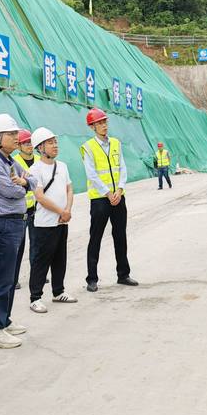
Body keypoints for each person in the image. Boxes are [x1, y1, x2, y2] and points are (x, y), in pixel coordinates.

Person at [0, 113, 37, 348]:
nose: (16, 137)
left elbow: (32, 181)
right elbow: (10, 191)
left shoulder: (9, 161)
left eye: (16, 134)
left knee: (10, 277)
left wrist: (23, 182)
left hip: (14, 222)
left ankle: (4, 318)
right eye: (11, 134)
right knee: (0, 277)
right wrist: (22, 185)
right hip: (1, 223)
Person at [81, 108, 137, 292]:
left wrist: (119, 190)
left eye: (105, 122)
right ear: (92, 127)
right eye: (99, 123)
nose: (104, 126)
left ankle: (123, 274)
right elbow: (92, 174)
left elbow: (123, 168)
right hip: (100, 199)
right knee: (95, 238)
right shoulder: (88, 147)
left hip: (118, 197)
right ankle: (92, 279)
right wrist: (108, 193)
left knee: (120, 235)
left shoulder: (115, 143)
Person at [27, 127, 77, 313]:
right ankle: (35, 297)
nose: (55, 145)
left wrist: (67, 210)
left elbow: (69, 189)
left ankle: (58, 291)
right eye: (50, 142)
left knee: (60, 258)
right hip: (45, 223)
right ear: (40, 148)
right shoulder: (35, 169)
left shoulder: (62, 166)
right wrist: (60, 211)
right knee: (41, 260)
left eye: (55, 141)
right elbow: (39, 196)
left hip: (62, 221)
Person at [13, 128, 40, 289]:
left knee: (37, 245)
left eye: (30, 142)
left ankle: (37, 275)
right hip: (21, 211)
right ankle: (14, 278)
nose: (29, 145)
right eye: (25, 143)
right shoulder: (14, 162)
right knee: (18, 246)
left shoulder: (39, 159)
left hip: (38, 209)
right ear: (19, 146)